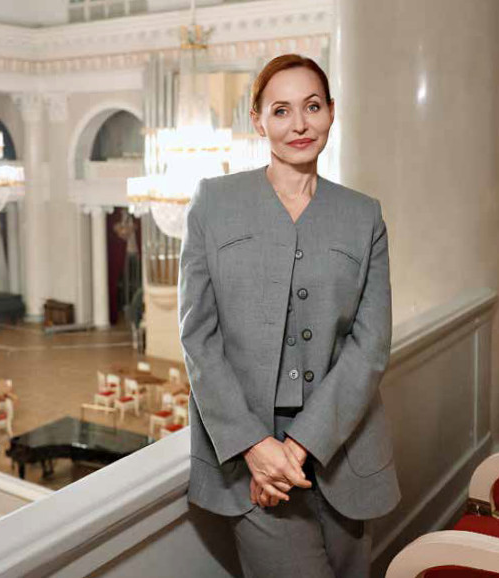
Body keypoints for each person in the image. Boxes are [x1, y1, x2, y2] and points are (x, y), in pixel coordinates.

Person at [178, 53, 400, 578]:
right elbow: (198, 338)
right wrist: (257, 448)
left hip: (345, 449)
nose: (299, 124)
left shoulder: (363, 215)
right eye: (281, 110)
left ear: (331, 112)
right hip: (248, 457)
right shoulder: (213, 203)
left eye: (312, 107)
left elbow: (370, 345)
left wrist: (299, 447)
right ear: (258, 121)